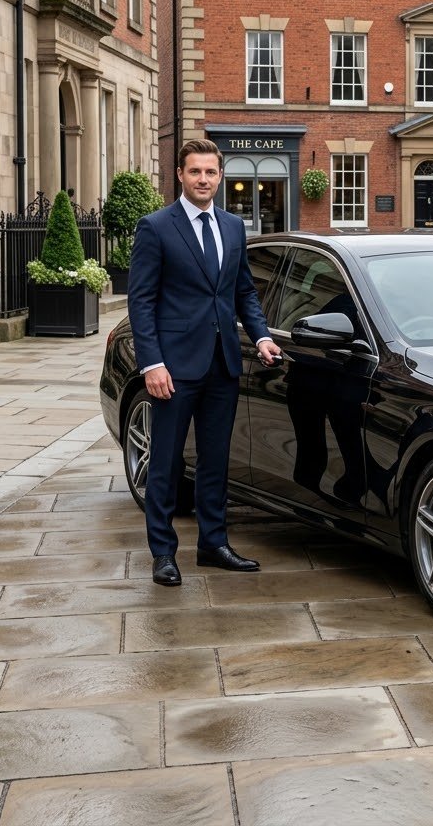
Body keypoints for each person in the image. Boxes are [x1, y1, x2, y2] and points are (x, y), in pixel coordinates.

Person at [127, 139, 283, 587]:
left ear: (219, 176)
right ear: (180, 175)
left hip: (222, 364)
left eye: (211, 173)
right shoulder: (156, 227)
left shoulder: (233, 227)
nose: (203, 180)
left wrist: (263, 336)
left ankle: (214, 544)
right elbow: (141, 301)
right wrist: (151, 363)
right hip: (173, 368)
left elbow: (243, 292)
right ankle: (163, 553)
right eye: (195, 172)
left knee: (216, 460)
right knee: (167, 463)